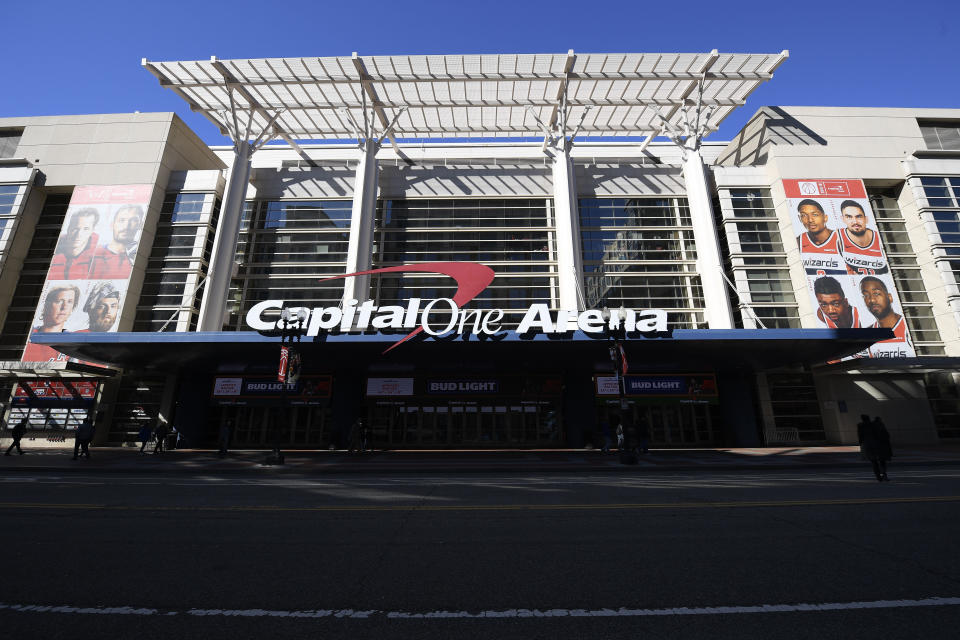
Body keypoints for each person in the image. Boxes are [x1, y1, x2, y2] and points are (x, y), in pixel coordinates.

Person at [22, 284, 82, 362]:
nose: (64, 307)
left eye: (70, 302)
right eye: (59, 301)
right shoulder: (28, 333)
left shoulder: (72, 343)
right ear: (46, 305)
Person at [90, 204, 144, 279]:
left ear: (140, 225)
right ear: (112, 224)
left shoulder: (140, 257)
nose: (126, 226)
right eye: (122, 220)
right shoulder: (94, 254)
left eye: (133, 220)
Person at [796, 199, 844, 275]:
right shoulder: (799, 241)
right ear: (800, 219)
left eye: (815, 215)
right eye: (804, 215)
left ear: (825, 217)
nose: (810, 220)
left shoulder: (840, 239)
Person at [838, 200, 887, 275]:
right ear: (843, 219)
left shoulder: (879, 238)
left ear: (866, 219)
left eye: (859, 217)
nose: (855, 222)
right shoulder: (837, 237)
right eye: (849, 217)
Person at [48, 208, 100, 279]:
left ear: (92, 231)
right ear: (68, 228)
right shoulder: (54, 247)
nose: (78, 234)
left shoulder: (99, 254)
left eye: (86, 229)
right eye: (75, 228)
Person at [857, 414, 891, 481]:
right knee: (881, 460)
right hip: (877, 444)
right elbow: (880, 434)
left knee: (874, 462)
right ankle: (884, 474)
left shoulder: (860, 426)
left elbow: (860, 437)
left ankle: (878, 476)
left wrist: (861, 444)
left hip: (868, 445)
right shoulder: (874, 425)